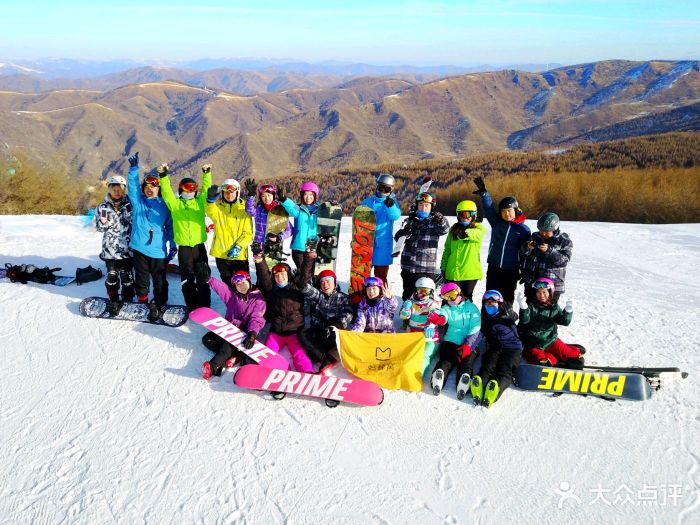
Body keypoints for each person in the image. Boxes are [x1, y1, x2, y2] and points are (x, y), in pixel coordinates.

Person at [126, 152, 176, 321]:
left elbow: (170, 227)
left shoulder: (165, 205)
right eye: (147, 185)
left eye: (153, 185)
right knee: (141, 278)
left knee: (160, 280)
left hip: (158, 250)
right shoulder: (138, 202)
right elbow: (132, 187)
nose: (149, 188)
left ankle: (160, 303)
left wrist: (173, 245)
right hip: (140, 247)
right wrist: (134, 170)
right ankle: (143, 301)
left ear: (159, 188)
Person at [158, 163, 212, 311]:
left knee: (203, 276)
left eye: (193, 188)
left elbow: (206, 190)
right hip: (184, 249)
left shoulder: (200, 203)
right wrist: (163, 176)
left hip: (199, 247)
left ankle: (205, 304)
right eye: (187, 188)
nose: (190, 191)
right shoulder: (175, 205)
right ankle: (192, 305)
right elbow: (167, 192)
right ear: (181, 189)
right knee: (187, 277)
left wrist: (206, 173)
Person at [253, 250, 316, 373]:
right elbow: (264, 275)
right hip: (276, 332)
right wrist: (260, 260)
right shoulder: (272, 289)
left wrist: (309, 258)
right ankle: (265, 374)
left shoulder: (297, 287)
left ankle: (308, 374)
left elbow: (305, 274)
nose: (280, 278)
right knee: (266, 354)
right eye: (276, 276)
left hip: (294, 331)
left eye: (283, 275)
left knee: (299, 354)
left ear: (288, 275)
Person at [472, 177, 530, 305]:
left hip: (511, 270)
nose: (507, 214)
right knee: (490, 297)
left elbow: (526, 253)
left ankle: (506, 324)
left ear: (515, 211)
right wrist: (484, 194)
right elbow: (489, 209)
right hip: (494, 267)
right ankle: (487, 323)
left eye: (509, 211)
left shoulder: (523, 230)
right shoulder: (497, 223)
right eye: (503, 211)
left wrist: (524, 271)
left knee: (507, 299)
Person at [201, 271, 266, 380]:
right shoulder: (233, 296)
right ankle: (235, 356)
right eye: (238, 285)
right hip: (229, 328)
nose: (242, 287)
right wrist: (209, 279)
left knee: (226, 346)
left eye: (244, 283)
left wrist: (252, 334)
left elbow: (257, 318)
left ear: (249, 281)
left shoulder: (258, 299)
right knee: (207, 339)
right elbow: (222, 289)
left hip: (245, 334)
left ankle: (213, 367)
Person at [426, 283, 482, 397]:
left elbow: (476, 326)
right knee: (446, 359)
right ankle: (439, 374)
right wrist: (439, 318)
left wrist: (468, 344)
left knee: (467, 361)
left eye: (452, 294)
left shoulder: (471, 307)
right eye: (447, 297)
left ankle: (464, 378)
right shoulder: (447, 308)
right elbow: (442, 315)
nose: (451, 299)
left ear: (459, 292)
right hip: (450, 341)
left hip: (469, 342)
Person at [470, 290, 523, 407]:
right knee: (489, 363)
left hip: (513, 348)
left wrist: (508, 311)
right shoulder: (486, 319)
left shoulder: (506, 314)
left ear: (499, 303)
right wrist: (469, 347)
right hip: (496, 347)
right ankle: (479, 383)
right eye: (487, 303)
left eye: (493, 303)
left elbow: (515, 317)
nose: (490, 305)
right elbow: (479, 334)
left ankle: (496, 387)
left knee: (505, 368)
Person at [516, 278, 584, 369]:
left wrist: (568, 311)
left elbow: (564, 321)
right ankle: (553, 359)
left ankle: (574, 350)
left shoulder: (554, 307)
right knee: (541, 361)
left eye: (544, 292)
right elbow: (524, 320)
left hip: (550, 340)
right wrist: (523, 308)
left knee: (574, 357)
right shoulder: (530, 306)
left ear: (550, 293)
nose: (541, 295)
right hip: (533, 343)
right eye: (539, 293)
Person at [397, 192, 449, 301]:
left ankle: (426, 317)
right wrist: (401, 233)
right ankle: (407, 317)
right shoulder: (410, 221)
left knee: (425, 299)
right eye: (421, 205)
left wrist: (439, 217)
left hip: (425, 267)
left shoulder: (434, 222)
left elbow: (444, 229)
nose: (423, 208)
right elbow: (399, 240)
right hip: (408, 266)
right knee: (407, 296)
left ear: (431, 207)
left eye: (427, 205)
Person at [298, 269, 354, 371]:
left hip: (334, 331)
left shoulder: (342, 297)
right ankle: (325, 357)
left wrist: (338, 325)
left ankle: (320, 354)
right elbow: (309, 291)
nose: (325, 284)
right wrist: (301, 284)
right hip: (320, 330)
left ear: (335, 283)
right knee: (303, 333)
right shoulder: (319, 296)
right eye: (322, 282)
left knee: (335, 337)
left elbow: (348, 313)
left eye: (328, 281)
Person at [96, 173, 134, 315]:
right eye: (114, 189)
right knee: (111, 276)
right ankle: (113, 300)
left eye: (120, 189)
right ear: (109, 189)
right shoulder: (102, 207)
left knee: (126, 277)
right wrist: (103, 222)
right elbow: (100, 228)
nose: (117, 192)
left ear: (124, 190)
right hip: (110, 250)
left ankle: (127, 298)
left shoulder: (130, 205)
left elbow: (135, 223)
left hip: (127, 249)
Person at [205, 177, 253, 284]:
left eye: (232, 192)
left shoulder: (244, 209)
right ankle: (230, 301)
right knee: (228, 284)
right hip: (222, 255)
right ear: (222, 193)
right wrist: (209, 201)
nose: (229, 195)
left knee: (243, 284)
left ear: (237, 193)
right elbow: (210, 210)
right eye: (226, 192)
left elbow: (248, 233)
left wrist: (239, 246)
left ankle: (244, 301)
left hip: (239, 255)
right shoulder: (217, 208)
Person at [520, 212, 572, 304]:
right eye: (541, 231)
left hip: (551, 286)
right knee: (529, 309)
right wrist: (527, 247)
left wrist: (550, 251)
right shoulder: (535, 237)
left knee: (549, 313)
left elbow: (564, 260)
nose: (543, 234)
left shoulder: (564, 241)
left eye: (546, 232)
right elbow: (523, 254)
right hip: (533, 282)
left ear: (555, 229)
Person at [440, 200, 486, 302]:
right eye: (461, 214)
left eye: (468, 214)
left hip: (469, 274)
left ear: (474, 215)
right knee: (449, 299)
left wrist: (466, 233)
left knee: (466, 301)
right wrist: (443, 267)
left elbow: (477, 234)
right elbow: (447, 249)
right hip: (453, 273)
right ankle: (446, 317)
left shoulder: (478, 228)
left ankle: (468, 318)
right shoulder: (453, 229)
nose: (464, 217)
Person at [360, 173, 401, 284]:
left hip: (382, 247)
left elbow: (395, 215)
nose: (382, 191)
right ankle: (363, 298)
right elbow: (358, 221)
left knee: (381, 278)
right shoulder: (367, 202)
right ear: (377, 186)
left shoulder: (391, 204)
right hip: (366, 244)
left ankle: (383, 299)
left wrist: (390, 205)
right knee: (362, 276)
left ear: (391, 190)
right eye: (380, 187)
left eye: (386, 189)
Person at [399, 277, 441, 376]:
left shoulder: (432, 303)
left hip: (429, 336)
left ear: (431, 292)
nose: (422, 294)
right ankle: (402, 373)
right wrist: (406, 309)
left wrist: (431, 325)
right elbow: (403, 316)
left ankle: (417, 375)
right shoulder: (411, 302)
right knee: (408, 354)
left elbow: (436, 314)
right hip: (413, 333)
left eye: (425, 291)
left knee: (425, 355)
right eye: (420, 290)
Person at [243, 180, 292, 255]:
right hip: (259, 246)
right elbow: (249, 209)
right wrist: (251, 195)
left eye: (269, 195)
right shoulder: (259, 210)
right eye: (263, 196)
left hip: (274, 245)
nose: (267, 198)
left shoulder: (280, 211)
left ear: (273, 196)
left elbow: (290, 229)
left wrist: (280, 237)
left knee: (274, 267)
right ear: (260, 197)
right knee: (261, 266)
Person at [279, 181, 319, 272]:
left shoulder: (320, 210)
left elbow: (329, 215)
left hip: (312, 247)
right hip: (298, 248)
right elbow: (290, 206)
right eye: (305, 194)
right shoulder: (299, 209)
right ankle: (302, 286)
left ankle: (310, 286)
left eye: (311, 195)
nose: (308, 197)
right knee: (302, 272)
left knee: (311, 272)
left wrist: (331, 207)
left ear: (315, 196)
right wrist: (284, 199)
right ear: (302, 196)